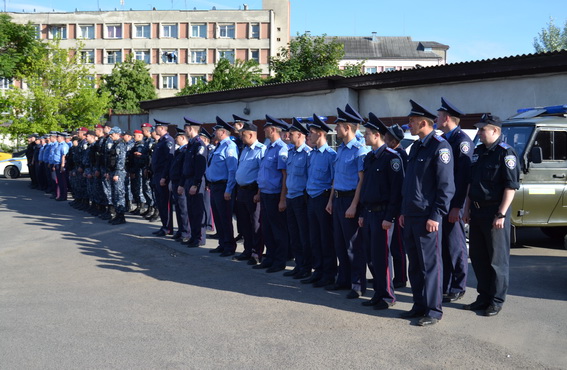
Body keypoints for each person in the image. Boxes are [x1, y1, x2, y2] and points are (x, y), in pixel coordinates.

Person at [399, 99, 455, 326]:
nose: (408, 125)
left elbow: (446, 186)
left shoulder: (440, 147)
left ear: (423, 122)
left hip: (426, 216)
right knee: (415, 264)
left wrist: (436, 215)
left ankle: (433, 310)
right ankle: (419, 304)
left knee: (430, 265)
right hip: (411, 214)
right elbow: (410, 184)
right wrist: (403, 211)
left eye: (411, 122)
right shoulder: (417, 146)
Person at [463, 114, 520, 317]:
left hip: (495, 212)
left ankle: (496, 300)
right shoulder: (479, 152)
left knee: (497, 259)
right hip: (477, 211)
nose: (479, 132)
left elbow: (510, 187)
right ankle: (483, 297)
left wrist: (501, 214)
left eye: (482, 129)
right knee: (479, 257)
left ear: (495, 130)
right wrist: (467, 208)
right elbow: (472, 183)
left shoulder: (506, 153)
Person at [358, 113, 404, 310]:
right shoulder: (370, 158)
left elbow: (397, 191)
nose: (364, 137)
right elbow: (365, 187)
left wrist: (390, 217)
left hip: (382, 213)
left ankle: (387, 295)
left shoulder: (392, 158)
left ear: (377, 135)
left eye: (366, 134)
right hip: (368, 213)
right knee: (370, 255)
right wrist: (361, 213)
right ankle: (377, 292)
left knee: (382, 256)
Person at [326, 104, 370, 299]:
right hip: (337, 200)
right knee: (339, 243)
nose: (336, 130)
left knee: (354, 245)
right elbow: (336, 178)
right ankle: (343, 279)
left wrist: (354, 205)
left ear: (348, 128)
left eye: (338, 126)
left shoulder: (360, 150)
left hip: (350, 200)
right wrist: (330, 200)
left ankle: (358, 284)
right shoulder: (341, 149)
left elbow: (362, 180)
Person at [436, 97, 474, 303]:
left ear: (447, 118)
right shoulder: (446, 140)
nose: (435, 118)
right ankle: (446, 284)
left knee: (456, 246)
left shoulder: (462, 142)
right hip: (444, 203)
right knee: (444, 246)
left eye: (438, 116)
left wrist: (457, 206)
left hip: (454, 204)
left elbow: (463, 178)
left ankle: (458, 286)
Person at [302, 114, 338, 287]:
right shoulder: (313, 154)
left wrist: (330, 201)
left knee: (326, 238)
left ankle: (329, 273)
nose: (309, 136)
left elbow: (333, 181)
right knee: (314, 237)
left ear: (320, 133)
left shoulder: (331, 155)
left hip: (323, 199)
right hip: (312, 198)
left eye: (311, 133)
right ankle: (318, 270)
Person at [254, 114, 290, 273]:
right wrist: (259, 192)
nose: (264, 130)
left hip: (276, 195)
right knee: (267, 228)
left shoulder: (282, 148)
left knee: (278, 229)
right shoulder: (268, 146)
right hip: (266, 193)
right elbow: (264, 173)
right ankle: (270, 257)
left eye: (266, 128)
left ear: (273, 129)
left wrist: (282, 199)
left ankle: (279, 260)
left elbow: (284, 176)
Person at [379, 121, 409, 289]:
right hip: (391, 205)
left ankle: (401, 278)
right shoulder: (391, 154)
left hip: (397, 207)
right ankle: (392, 276)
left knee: (398, 246)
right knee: (391, 246)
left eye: (387, 138)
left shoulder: (399, 156)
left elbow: (400, 185)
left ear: (392, 141)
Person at [283, 118, 312, 279]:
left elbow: (309, 178)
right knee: (294, 235)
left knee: (303, 235)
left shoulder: (307, 153)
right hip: (291, 197)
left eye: (292, 133)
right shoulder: (291, 152)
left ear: (300, 134)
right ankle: (299, 265)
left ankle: (306, 267)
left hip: (301, 198)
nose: (289, 135)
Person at [206, 117, 239, 256]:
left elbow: (232, 170)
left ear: (222, 132)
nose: (214, 133)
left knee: (225, 218)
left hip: (223, 186)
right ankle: (222, 243)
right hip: (215, 186)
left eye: (216, 130)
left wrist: (229, 189)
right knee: (218, 217)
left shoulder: (230, 147)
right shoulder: (219, 145)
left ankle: (229, 246)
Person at [234, 121, 265, 264]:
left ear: (251, 134)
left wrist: (258, 193)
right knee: (244, 223)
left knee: (255, 224)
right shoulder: (245, 150)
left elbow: (262, 174)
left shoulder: (261, 150)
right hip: (242, 191)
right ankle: (247, 250)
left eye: (243, 134)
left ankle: (256, 253)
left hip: (253, 191)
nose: (241, 137)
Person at [180, 117, 209, 248]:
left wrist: (196, 184)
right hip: (188, 180)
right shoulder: (191, 144)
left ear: (190, 128)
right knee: (191, 210)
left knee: (198, 211)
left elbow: (200, 167)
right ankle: (193, 236)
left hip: (195, 181)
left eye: (185, 128)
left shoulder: (199, 145)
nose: (184, 130)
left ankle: (199, 237)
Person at [151, 119, 175, 236]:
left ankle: (168, 227)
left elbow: (168, 161)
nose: (155, 129)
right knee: (160, 202)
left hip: (162, 176)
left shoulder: (168, 141)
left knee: (165, 203)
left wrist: (164, 176)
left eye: (156, 127)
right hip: (157, 175)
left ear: (161, 128)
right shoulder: (161, 141)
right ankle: (164, 225)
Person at [167, 128, 190, 240]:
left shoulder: (186, 151)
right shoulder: (179, 150)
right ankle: (181, 230)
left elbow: (184, 170)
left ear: (182, 138)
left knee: (183, 209)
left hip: (181, 183)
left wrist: (181, 184)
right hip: (175, 182)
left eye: (177, 138)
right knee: (179, 209)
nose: (175, 140)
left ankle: (186, 232)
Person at [106, 126, 127, 225]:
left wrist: (117, 173)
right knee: (115, 194)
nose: (110, 135)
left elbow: (121, 160)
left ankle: (121, 216)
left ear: (117, 134)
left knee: (119, 194)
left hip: (118, 172)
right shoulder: (115, 144)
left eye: (112, 134)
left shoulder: (120, 145)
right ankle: (117, 215)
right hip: (113, 171)